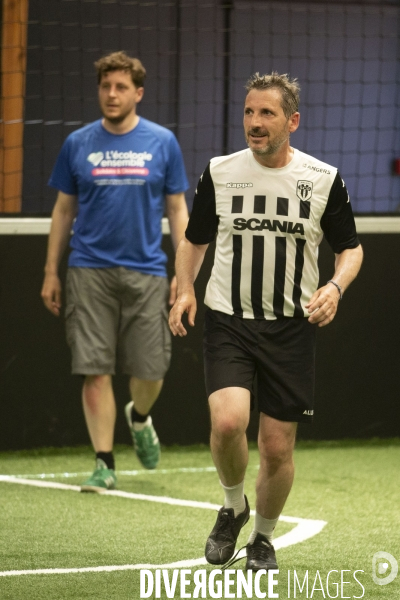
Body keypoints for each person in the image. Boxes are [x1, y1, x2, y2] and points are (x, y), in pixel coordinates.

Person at [169, 72, 363, 571]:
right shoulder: (220, 171)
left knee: (277, 447)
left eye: (267, 114)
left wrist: (335, 287)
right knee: (229, 420)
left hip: (291, 329)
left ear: (292, 121)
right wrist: (185, 288)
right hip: (229, 319)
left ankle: (262, 539)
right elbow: (195, 240)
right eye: (249, 112)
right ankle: (233, 506)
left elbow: (351, 249)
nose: (254, 123)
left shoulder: (323, 179)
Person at [41, 51, 189, 492]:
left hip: (148, 271)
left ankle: (139, 417)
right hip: (88, 270)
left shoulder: (162, 142)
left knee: (151, 370)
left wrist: (183, 273)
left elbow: (178, 208)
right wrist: (52, 271)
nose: (111, 94)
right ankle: (104, 462)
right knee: (95, 369)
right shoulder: (78, 143)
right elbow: (63, 210)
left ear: (138, 93)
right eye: (106, 86)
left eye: (121, 86)